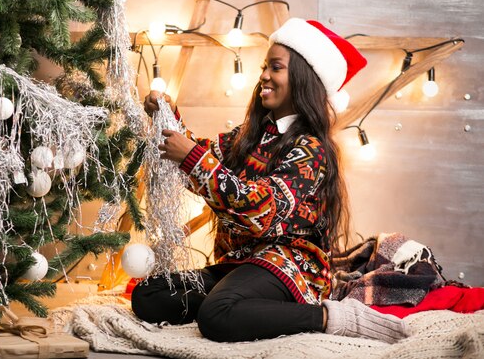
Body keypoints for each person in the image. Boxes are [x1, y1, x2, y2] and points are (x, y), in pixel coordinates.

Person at [131, 18, 410, 343]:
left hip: (290, 264)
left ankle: (330, 317)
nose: (264, 75)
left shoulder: (311, 150)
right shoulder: (249, 137)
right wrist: (168, 115)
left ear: (302, 80)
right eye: (265, 66)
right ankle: (247, 309)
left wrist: (192, 157)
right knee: (149, 296)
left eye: (275, 68)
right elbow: (199, 164)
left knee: (216, 315)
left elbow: (257, 209)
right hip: (244, 262)